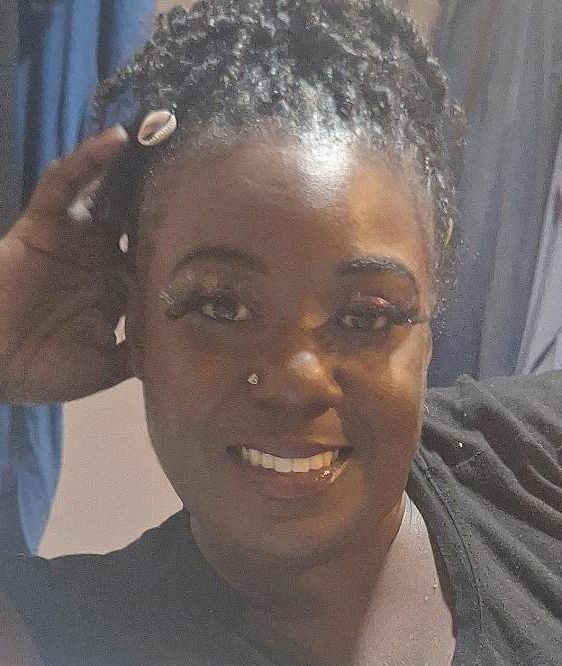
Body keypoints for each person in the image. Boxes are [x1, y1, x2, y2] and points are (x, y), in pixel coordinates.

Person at [0, 1, 561, 664]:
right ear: (139, 316)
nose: (297, 382)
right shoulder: (57, 637)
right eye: (221, 307)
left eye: (365, 316)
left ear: (431, 311)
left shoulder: (528, 465)